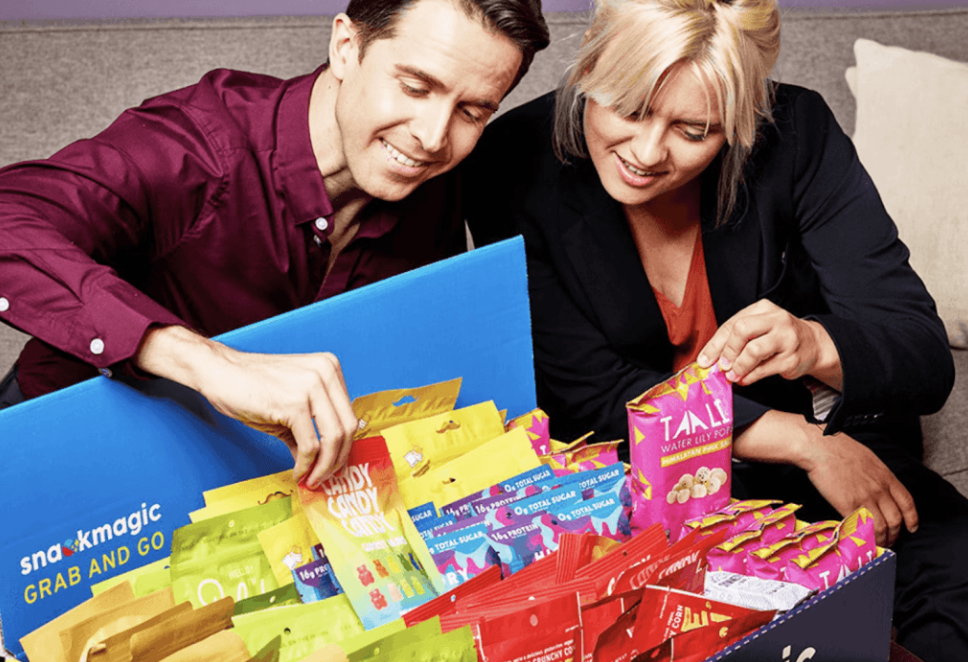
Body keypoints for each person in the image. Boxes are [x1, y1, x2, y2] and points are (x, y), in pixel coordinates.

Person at [462, 0, 968, 659]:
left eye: (694, 130)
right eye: (630, 109)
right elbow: (584, 387)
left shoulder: (801, 132)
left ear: (740, 123)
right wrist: (802, 442)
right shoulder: (508, 159)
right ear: (589, 64)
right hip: (640, 477)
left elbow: (922, 356)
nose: (647, 153)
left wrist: (817, 344)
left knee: (955, 576)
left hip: (836, 459)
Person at [0, 0, 549, 488]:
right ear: (346, 47)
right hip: (58, 454)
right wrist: (203, 360)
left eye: (472, 111)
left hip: (242, 485)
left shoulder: (438, 183)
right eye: (414, 87)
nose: (432, 137)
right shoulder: (198, 146)